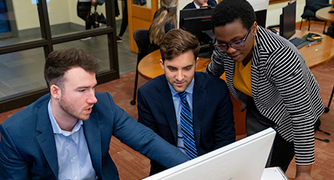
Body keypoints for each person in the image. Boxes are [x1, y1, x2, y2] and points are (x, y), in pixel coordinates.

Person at [0, 49, 189, 179]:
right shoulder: (16, 133)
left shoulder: (104, 104)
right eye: (82, 90)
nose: (93, 98)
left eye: (93, 87)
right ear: (56, 92)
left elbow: (146, 140)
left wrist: (195, 168)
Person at [205, 0, 324, 179]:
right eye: (222, 43)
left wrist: (304, 172)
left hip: (290, 116)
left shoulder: (279, 56)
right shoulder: (226, 45)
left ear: (254, 28)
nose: (230, 50)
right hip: (259, 104)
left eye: (236, 41)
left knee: (273, 167)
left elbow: (302, 115)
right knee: (256, 164)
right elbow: (211, 73)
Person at [138, 29, 236, 175]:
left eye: (187, 68)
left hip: (209, 167)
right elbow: (151, 145)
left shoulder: (217, 89)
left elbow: (225, 138)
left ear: (196, 63)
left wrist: (207, 171)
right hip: (168, 169)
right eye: (172, 68)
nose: (179, 77)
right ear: (162, 64)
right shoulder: (147, 94)